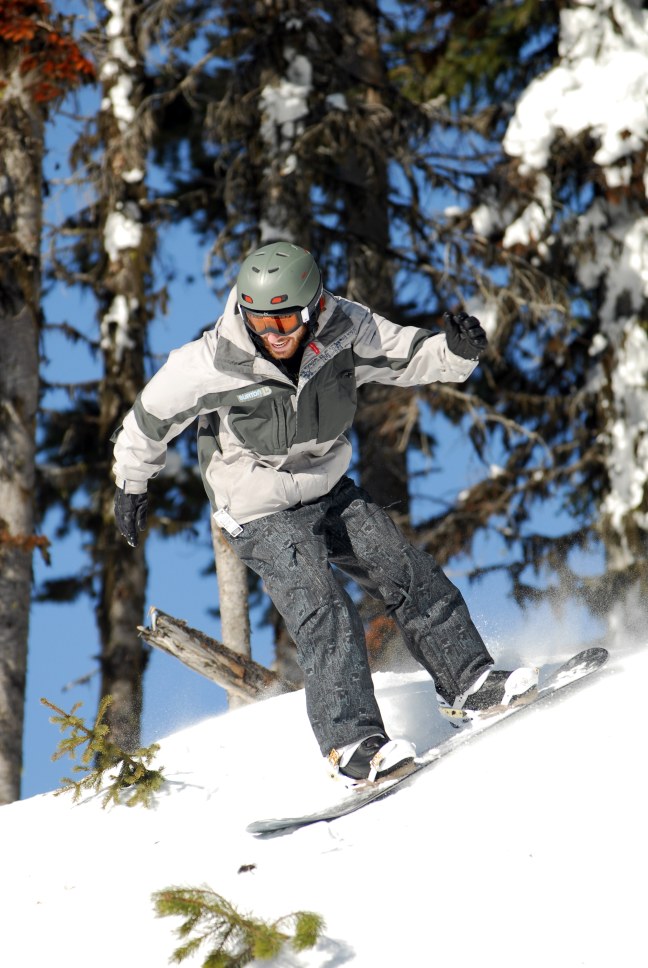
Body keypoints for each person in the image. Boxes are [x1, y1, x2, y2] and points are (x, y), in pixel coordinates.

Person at [112, 241, 538, 783]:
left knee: (401, 565)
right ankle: (351, 742)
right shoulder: (213, 360)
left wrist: (455, 352)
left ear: (314, 307)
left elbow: (406, 354)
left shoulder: (345, 329)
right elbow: (148, 419)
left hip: (326, 485)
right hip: (256, 505)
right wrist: (131, 483)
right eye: (260, 320)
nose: (274, 333)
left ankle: (468, 684)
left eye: (286, 318)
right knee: (322, 603)